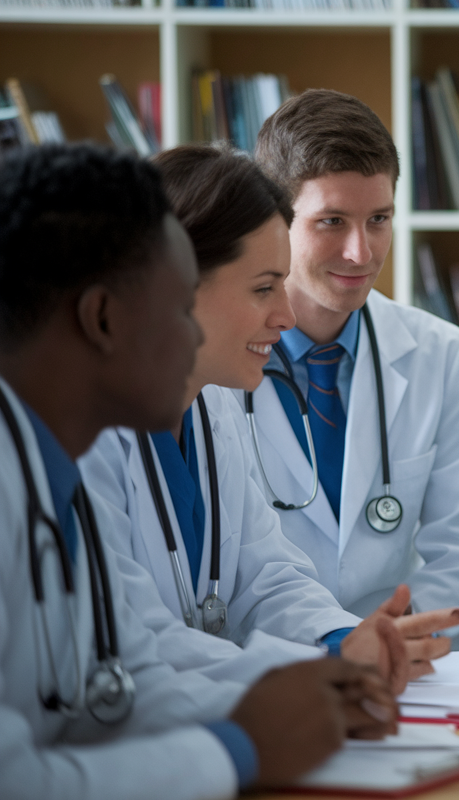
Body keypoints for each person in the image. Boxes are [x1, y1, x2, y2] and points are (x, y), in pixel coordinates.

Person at [0, 143, 397, 798]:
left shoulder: (50, 472)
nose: (189, 340)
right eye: (179, 305)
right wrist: (240, 746)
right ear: (102, 317)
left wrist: (311, 694)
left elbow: (128, 674)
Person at [80, 145, 459, 692]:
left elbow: (267, 574)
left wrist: (339, 640)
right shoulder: (82, 439)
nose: (285, 317)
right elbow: (130, 635)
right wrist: (322, 670)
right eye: (263, 289)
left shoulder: (211, 408)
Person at [244, 90, 459, 649]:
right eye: (332, 221)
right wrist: (336, 651)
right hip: (274, 668)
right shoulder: (217, 368)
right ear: (274, 219)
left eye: (379, 219)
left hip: (416, 669)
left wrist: (388, 651)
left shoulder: (443, 353)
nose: (361, 252)